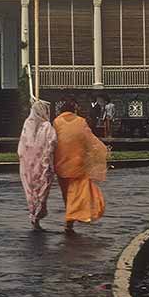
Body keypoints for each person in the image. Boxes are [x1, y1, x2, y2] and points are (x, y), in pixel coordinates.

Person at [53, 99, 108, 233]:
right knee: (76, 193)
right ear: (74, 110)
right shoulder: (81, 122)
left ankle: (70, 217)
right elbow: (89, 140)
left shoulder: (56, 122)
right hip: (78, 164)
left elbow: (52, 141)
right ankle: (70, 218)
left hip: (60, 163)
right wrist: (100, 150)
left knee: (67, 193)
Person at [17, 100, 57, 230]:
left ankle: (33, 214)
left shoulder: (27, 124)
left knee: (31, 189)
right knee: (42, 188)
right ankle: (37, 215)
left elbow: (22, 145)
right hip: (43, 163)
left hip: (28, 164)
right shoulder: (47, 126)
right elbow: (53, 142)